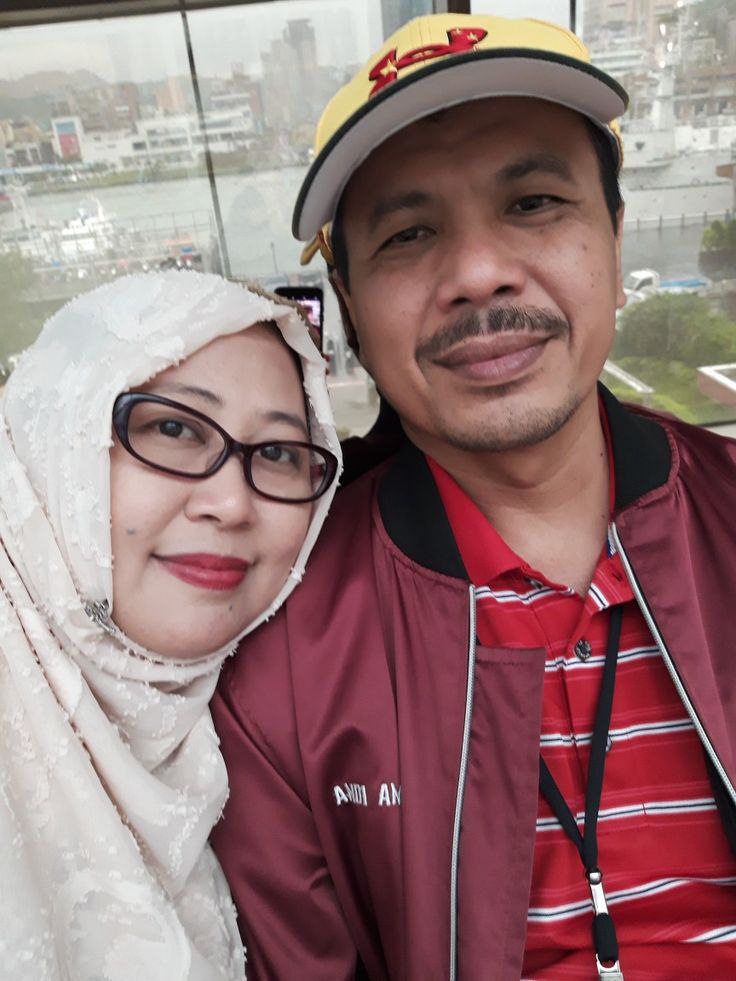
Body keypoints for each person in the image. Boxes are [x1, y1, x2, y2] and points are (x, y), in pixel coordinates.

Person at [212, 12, 736, 981]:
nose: (479, 273)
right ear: (349, 304)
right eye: (409, 234)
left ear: (615, 238)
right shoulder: (282, 659)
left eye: (533, 203)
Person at [0, 271, 340, 980]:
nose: (231, 504)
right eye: (175, 428)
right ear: (57, 442)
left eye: (279, 452)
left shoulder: (240, 708)